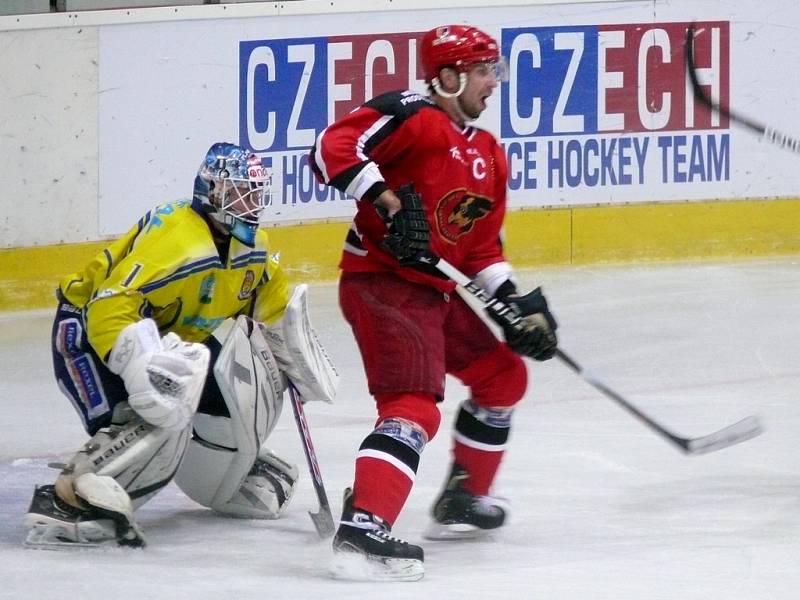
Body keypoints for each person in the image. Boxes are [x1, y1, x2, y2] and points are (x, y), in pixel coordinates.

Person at [309, 25, 558, 580]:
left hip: (437, 292)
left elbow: (481, 249)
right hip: (383, 284)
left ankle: (462, 500)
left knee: (503, 378)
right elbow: (331, 148)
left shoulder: (490, 154)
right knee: (412, 407)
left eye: (496, 70)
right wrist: (386, 199)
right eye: (484, 71)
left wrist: (514, 304)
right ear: (449, 76)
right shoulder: (412, 115)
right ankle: (365, 529)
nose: (494, 83)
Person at [24, 142, 334, 548]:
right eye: (241, 191)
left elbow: (273, 312)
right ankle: (69, 500)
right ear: (212, 192)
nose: (252, 203)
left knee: (246, 364)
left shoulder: (252, 250)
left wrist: (295, 359)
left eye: (257, 193)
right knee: (157, 413)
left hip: (167, 342)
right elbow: (108, 308)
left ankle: (228, 467)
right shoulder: (176, 241)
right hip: (87, 335)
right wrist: (142, 369)